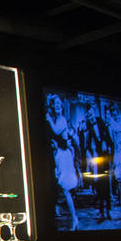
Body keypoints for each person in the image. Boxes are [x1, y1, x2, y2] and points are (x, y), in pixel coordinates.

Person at [46, 93, 80, 231]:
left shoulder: (62, 120)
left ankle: (75, 218)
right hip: (60, 154)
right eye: (56, 105)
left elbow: (56, 130)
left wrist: (49, 120)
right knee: (64, 189)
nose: (58, 106)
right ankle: (73, 217)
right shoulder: (56, 118)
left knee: (66, 189)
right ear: (53, 107)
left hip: (65, 155)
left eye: (60, 104)